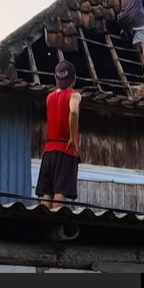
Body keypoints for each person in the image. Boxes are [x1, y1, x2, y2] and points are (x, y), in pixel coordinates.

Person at [35, 60, 82, 209]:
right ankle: (56, 219)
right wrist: (71, 137)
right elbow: (73, 111)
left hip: (49, 150)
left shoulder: (49, 98)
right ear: (73, 80)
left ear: (57, 79)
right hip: (65, 148)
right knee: (60, 190)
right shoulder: (74, 95)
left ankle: (44, 220)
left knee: (47, 191)